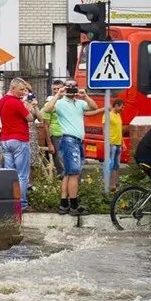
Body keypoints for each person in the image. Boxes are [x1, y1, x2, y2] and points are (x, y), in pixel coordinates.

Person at [43, 81, 100, 215]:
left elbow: (94, 107)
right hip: (69, 140)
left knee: (68, 174)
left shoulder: (80, 103)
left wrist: (85, 95)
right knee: (74, 174)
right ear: (65, 88)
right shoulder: (60, 103)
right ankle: (74, 206)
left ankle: (64, 204)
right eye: (69, 86)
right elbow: (47, 109)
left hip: (78, 141)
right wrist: (58, 94)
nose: (71, 88)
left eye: (74, 85)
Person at [0, 78, 39, 210]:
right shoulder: (16, 103)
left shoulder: (2, 100)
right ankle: (21, 204)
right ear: (13, 88)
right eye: (21, 89)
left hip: (5, 139)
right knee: (22, 174)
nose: (23, 92)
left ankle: (9, 202)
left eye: (24, 90)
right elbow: (30, 118)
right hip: (19, 139)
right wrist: (28, 106)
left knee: (10, 173)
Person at [107, 98, 124, 191]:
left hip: (118, 144)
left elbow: (119, 131)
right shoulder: (108, 115)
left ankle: (114, 185)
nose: (122, 109)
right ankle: (107, 184)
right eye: (121, 107)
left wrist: (123, 143)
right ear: (116, 105)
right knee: (110, 164)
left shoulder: (118, 115)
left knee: (116, 165)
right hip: (111, 143)